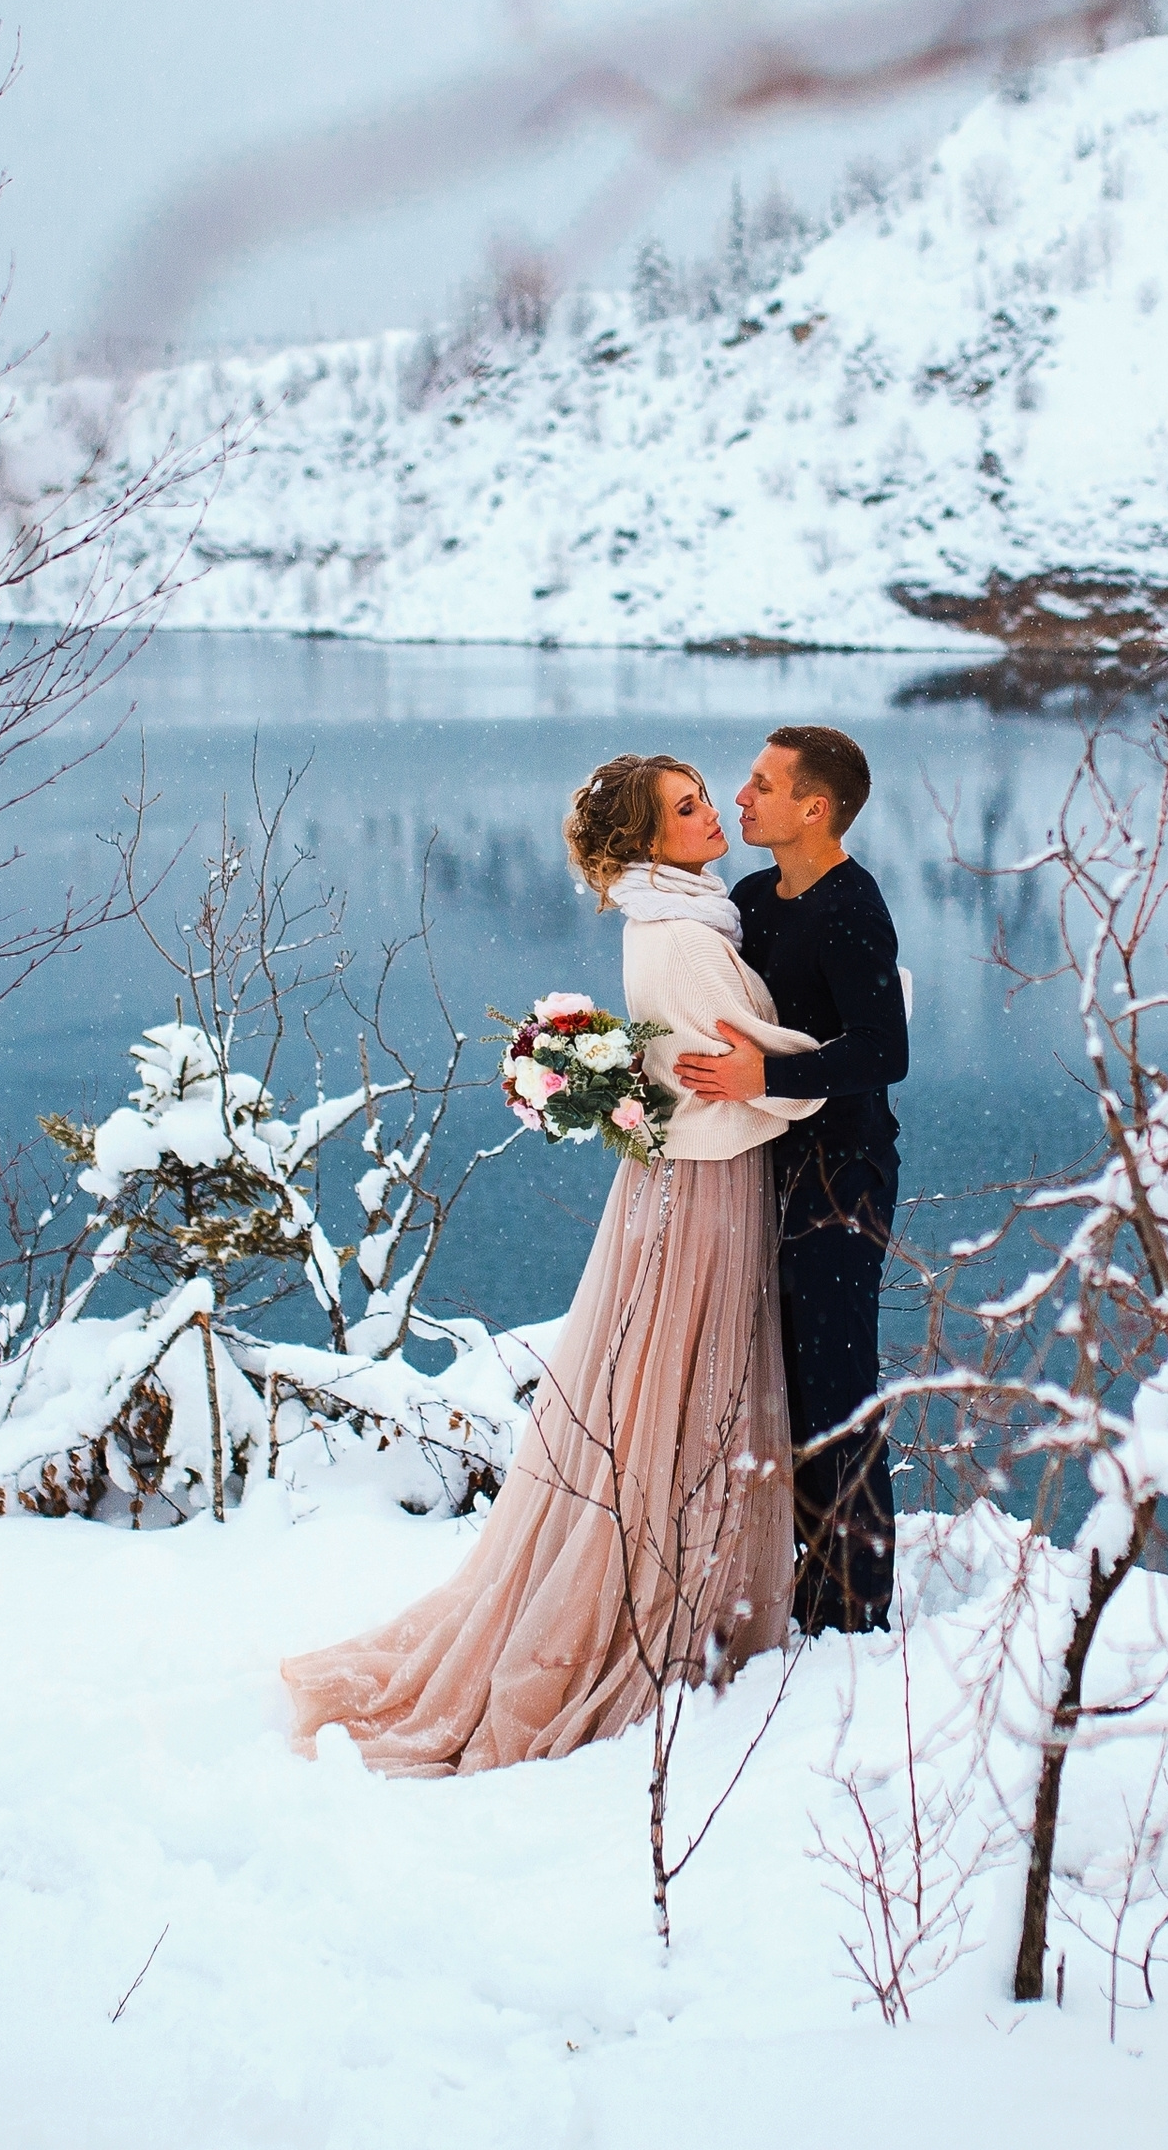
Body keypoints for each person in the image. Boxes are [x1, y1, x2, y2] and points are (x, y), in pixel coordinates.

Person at [279, 754, 821, 1774]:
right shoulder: (685, 938)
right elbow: (772, 1070)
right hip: (710, 1183)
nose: (713, 814)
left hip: (680, 1178)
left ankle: (680, 1587)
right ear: (647, 840)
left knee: (660, 1386)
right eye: (687, 808)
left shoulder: (672, 917)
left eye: (705, 796)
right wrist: (855, 1044)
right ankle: (669, 1609)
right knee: (698, 1383)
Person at [674, 724, 904, 1633]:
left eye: (763, 786)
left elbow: (884, 1051)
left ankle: (855, 1608)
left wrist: (765, 1078)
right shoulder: (752, 898)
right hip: (761, 1165)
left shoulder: (852, 908)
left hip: (842, 1177)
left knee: (834, 1386)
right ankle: (795, 1578)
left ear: (815, 808)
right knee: (778, 1382)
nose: (740, 797)